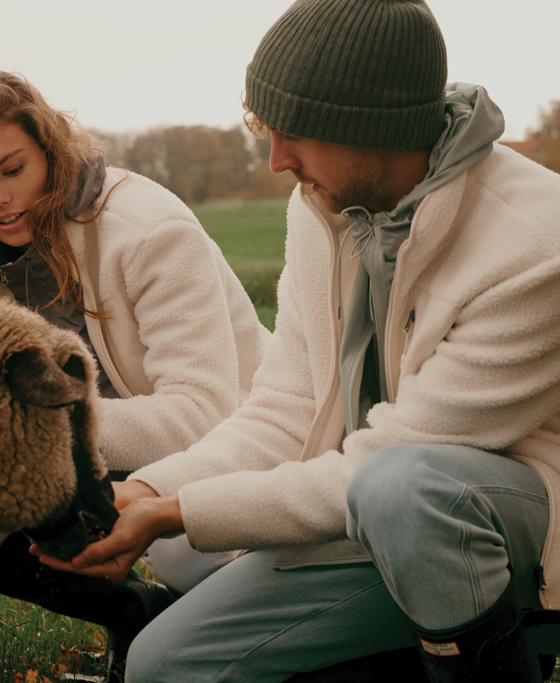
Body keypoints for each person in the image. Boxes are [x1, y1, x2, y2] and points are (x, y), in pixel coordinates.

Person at [34, 1, 560, 681]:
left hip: (497, 532)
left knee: (401, 487)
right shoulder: (324, 206)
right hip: (366, 511)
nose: (278, 159)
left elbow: (393, 462)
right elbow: (284, 407)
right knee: (163, 665)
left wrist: (180, 510)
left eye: (297, 133)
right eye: (265, 128)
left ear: (371, 125)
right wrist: (152, 490)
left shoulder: (534, 246)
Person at [0, 71, 272, 683]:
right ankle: (135, 612)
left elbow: (204, 412)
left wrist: (42, 428)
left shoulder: (148, 231)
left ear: (50, 151)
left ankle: (209, 610)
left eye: (12, 170)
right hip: (97, 457)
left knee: (183, 610)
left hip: (233, 454)